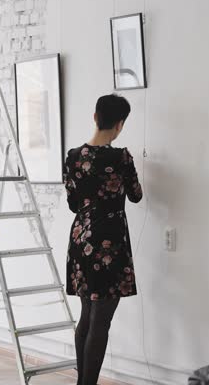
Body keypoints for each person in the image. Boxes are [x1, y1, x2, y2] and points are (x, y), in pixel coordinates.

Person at [64, 94, 143, 385]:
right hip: (110, 243)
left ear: (95, 117)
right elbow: (136, 195)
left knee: (87, 316)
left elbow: (73, 203)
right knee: (101, 321)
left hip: (81, 240)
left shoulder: (73, 156)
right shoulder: (121, 157)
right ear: (120, 124)